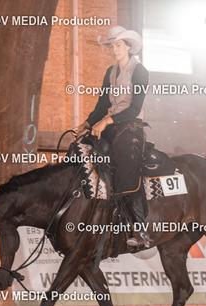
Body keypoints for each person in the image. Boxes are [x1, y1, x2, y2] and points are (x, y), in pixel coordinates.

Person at [73, 26, 152, 248]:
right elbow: (102, 104)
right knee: (83, 147)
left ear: (128, 47)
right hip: (112, 125)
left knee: (126, 163)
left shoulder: (140, 71)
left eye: (118, 45)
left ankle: (139, 228)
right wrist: (87, 123)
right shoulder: (111, 71)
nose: (114, 50)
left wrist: (107, 121)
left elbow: (134, 109)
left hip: (132, 127)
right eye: (111, 46)